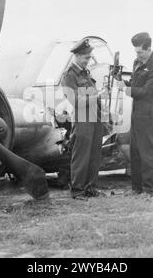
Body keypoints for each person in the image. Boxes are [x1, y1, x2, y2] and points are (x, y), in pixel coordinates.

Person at [117, 32, 153, 197]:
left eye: (140, 52)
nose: (137, 55)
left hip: (148, 114)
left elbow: (145, 91)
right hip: (137, 113)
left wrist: (127, 89)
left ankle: (150, 191)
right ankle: (137, 189)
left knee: (148, 153)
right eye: (136, 52)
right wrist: (124, 83)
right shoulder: (137, 62)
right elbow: (137, 84)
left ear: (149, 49)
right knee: (136, 152)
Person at [60, 38, 104, 199]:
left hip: (95, 118)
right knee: (81, 155)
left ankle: (90, 188)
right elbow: (75, 101)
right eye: (86, 58)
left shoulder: (86, 73)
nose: (88, 61)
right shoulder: (69, 76)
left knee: (94, 154)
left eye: (89, 57)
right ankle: (78, 190)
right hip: (82, 119)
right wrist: (97, 96)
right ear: (77, 56)